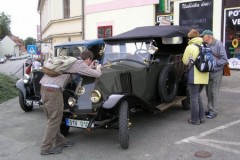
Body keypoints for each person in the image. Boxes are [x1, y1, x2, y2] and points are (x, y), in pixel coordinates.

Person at [39, 50, 102, 155]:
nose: (89, 64)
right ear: (88, 59)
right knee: (54, 120)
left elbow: (78, 72)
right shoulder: (79, 64)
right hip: (53, 91)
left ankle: (60, 141)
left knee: (53, 119)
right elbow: (97, 74)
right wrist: (98, 68)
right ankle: (46, 148)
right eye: (90, 62)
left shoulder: (71, 61)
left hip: (44, 88)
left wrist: (88, 68)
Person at [182, 29, 209, 125]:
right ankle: (202, 118)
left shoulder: (190, 47)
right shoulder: (204, 45)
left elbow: (185, 61)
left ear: (190, 38)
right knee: (197, 96)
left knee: (193, 98)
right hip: (205, 74)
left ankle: (195, 119)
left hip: (195, 75)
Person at [200, 30, 228, 119]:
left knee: (214, 92)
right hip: (208, 72)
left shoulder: (218, 44)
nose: (202, 38)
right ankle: (210, 108)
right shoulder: (205, 44)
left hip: (216, 72)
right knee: (208, 92)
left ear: (209, 36)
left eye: (203, 36)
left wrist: (214, 64)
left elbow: (224, 59)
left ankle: (213, 111)